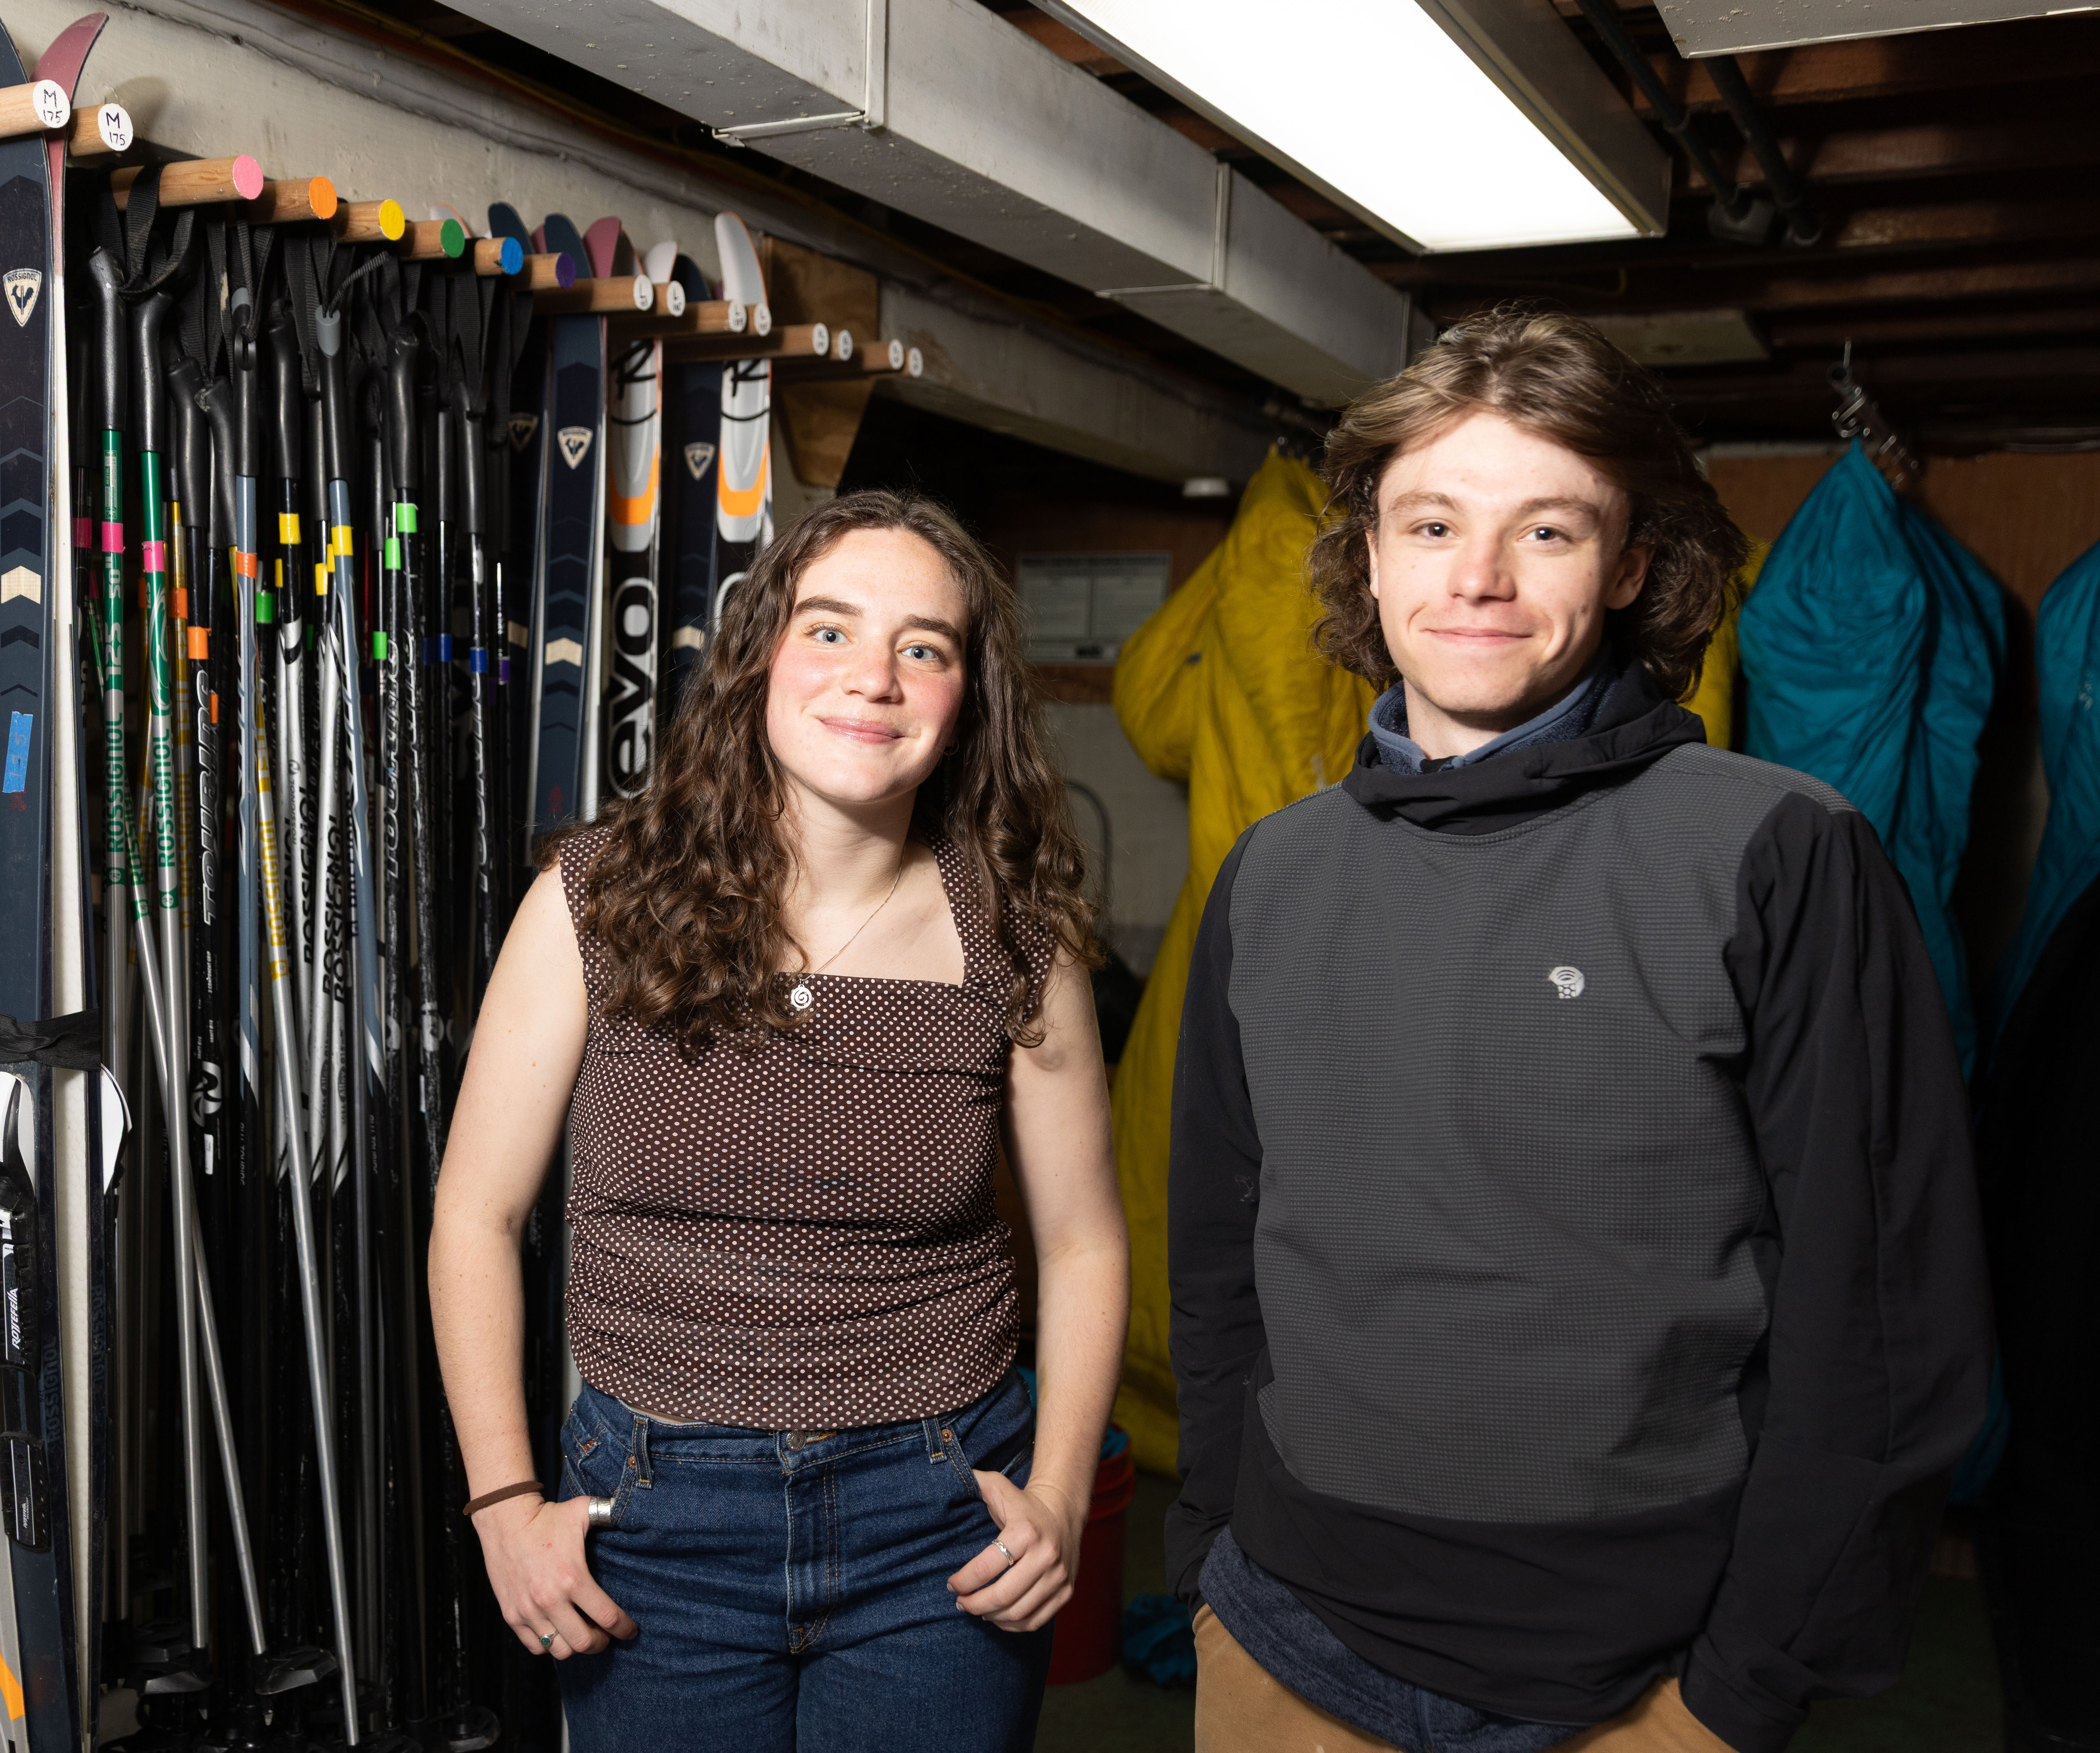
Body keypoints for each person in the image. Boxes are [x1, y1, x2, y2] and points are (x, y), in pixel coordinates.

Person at [1167, 307, 1990, 1753]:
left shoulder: (1779, 853)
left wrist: (1735, 1693)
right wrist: (1209, 1576)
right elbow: (1221, 1255)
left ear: (1630, 567)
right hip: (1287, 1642)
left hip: (1633, 1679)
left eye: (1546, 532)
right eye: (1431, 524)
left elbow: (1879, 1320)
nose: (1476, 578)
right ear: (1368, 553)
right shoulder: (1274, 875)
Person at [429, 489, 1129, 1753]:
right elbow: (476, 1215)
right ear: (758, 659)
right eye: (830, 631)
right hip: (650, 1518)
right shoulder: (596, 900)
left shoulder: (1018, 933)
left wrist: (1063, 1496)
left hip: (938, 1521)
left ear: (968, 694)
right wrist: (501, 1502)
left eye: (924, 646)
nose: (875, 677)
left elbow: (1083, 1240)